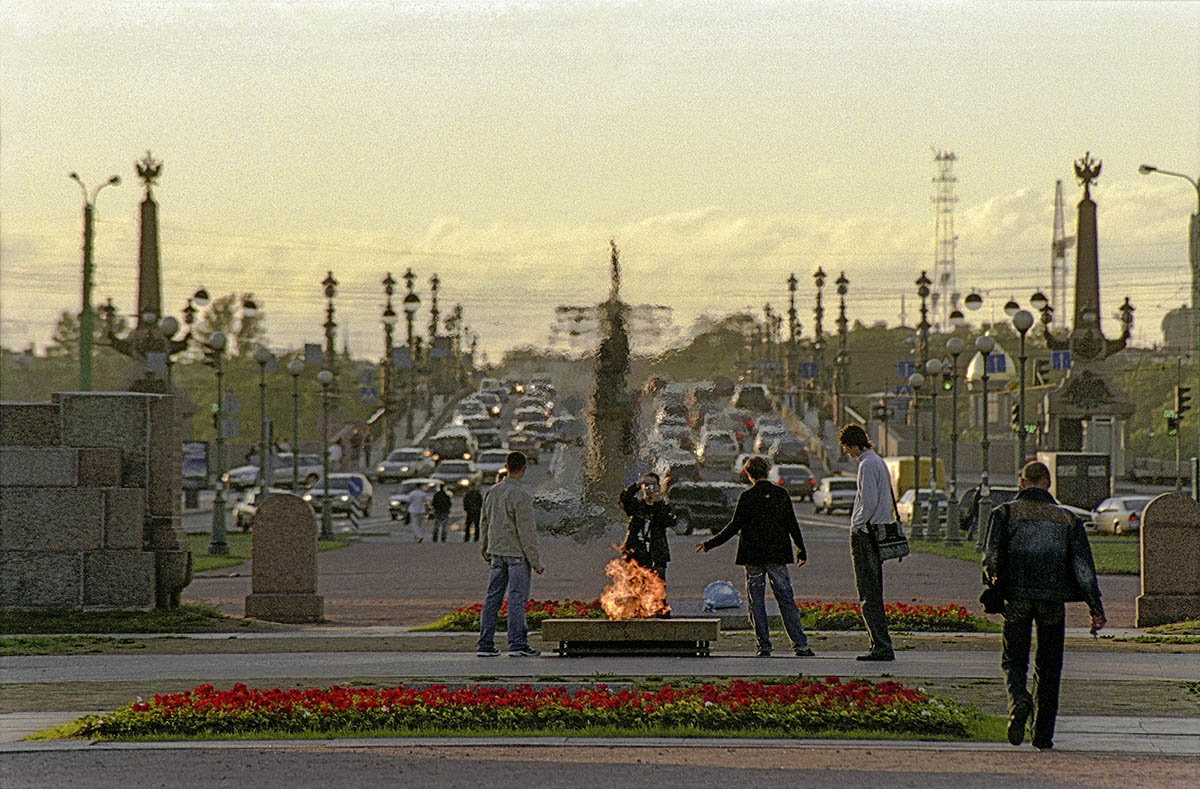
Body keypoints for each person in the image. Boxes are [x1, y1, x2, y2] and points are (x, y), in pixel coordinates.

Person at [983, 460, 1105, 751]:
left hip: (1017, 597)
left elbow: (990, 558)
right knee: (1049, 666)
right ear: (1048, 484)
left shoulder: (1005, 513)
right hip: (1052, 599)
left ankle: (1018, 700)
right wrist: (1095, 606)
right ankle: (1042, 734)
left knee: (1013, 659)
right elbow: (1083, 567)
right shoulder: (1067, 519)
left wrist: (993, 585)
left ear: (1022, 483)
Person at [695, 456, 814, 657]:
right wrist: (801, 549)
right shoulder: (781, 494)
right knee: (786, 599)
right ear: (767, 471)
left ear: (748, 474)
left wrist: (710, 543)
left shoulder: (747, 497)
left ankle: (764, 645)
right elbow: (792, 524)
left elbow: (733, 527)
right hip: (777, 554)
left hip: (753, 556)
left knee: (756, 601)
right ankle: (800, 644)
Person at [477, 451, 543, 657]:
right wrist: (535, 561)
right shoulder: (521, 495)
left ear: (506, 467)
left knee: (492, 598)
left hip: (496, 552)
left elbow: (484, 523)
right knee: (516, 598)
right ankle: (517, 644)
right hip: (517, 555)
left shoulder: (492, 492)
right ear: (523, 469)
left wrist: (485, 548)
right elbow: (526, 532)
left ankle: (485, 644)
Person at [839, 423, 896, 662]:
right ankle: (880, 644)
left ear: (853, 445)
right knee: (874, 591)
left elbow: (869, 502)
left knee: (868, 592)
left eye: (846, 448)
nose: (847, 453)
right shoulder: (879, 462)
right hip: (878, 531)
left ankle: (880, 645)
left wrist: (857, 524)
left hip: (866, 534)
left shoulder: (866, 465)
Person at [619, 472, 674, 580]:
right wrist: (637, 485)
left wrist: (658, 502)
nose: (650, 488)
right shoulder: (637, 506)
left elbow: (669, 520)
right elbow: (624, 499)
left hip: (656, 555)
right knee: (636, 590)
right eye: (647, 485)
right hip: (636, 553)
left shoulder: (663, 507)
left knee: (657, 591)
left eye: (653, 485)